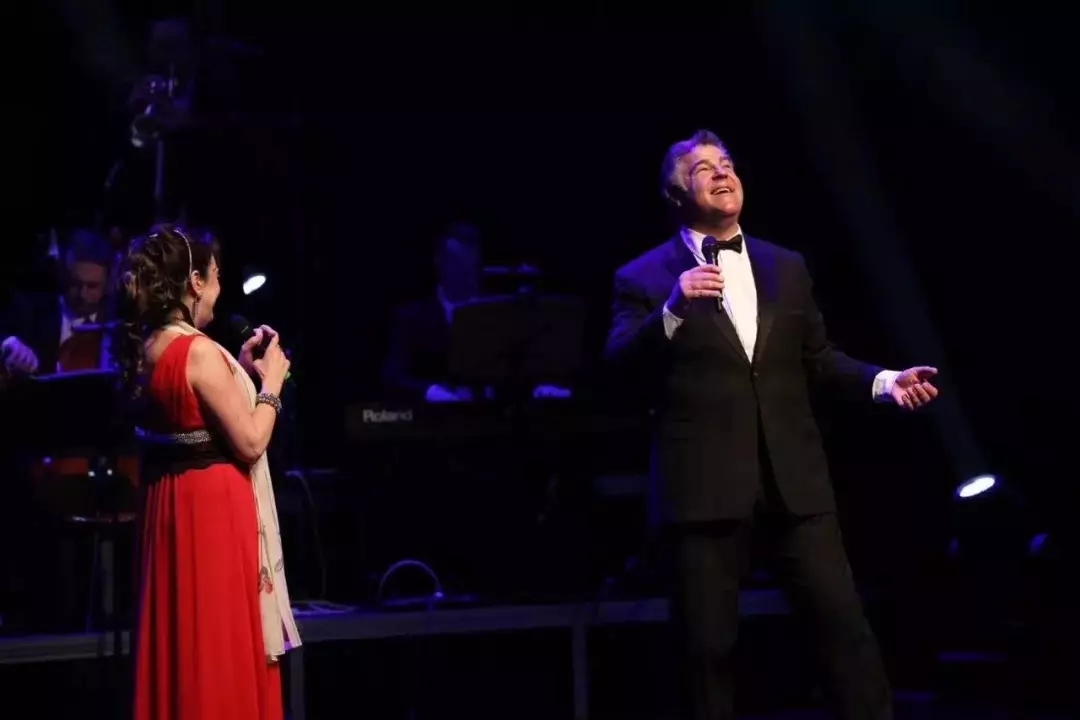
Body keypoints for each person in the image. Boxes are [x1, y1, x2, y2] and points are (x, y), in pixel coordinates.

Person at [604, 130, 940, 720]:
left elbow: (818, 359)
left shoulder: (786, 266)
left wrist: (885, 381)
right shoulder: (644, 276)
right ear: (675, 194)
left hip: (795, 483)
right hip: (704, 491)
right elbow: (619, 370)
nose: (721, 173)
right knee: (706, 654)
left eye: (726, 163)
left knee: (846, 636)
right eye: (702, 168)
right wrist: (673, 310)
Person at [119, 224, 300, 720]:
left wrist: (238, 371)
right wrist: (272, 384)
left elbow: (197, 413)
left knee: (186, 643)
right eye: (216, 277)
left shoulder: (149, 348)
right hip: (211, 521)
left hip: (176, 510)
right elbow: (251, 440)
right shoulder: (197, 352)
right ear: (195, 282)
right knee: (215, 646)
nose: (219, 290)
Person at [383, 222, 570, 402]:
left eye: (472, 265)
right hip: (437, 419)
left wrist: (542, 386)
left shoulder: (500, 311)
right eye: (458, 263)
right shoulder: (411, 318)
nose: (466, 273)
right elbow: (393, 377)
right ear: (439, 262)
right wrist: (432, 391)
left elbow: (520, 368)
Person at [1, 228, 117, 376]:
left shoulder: (119, 318)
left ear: (108, 285)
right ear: (63, 276)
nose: (82, 294)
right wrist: (6, 343)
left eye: (92, 286)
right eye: (75, 284)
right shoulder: (30, 311)